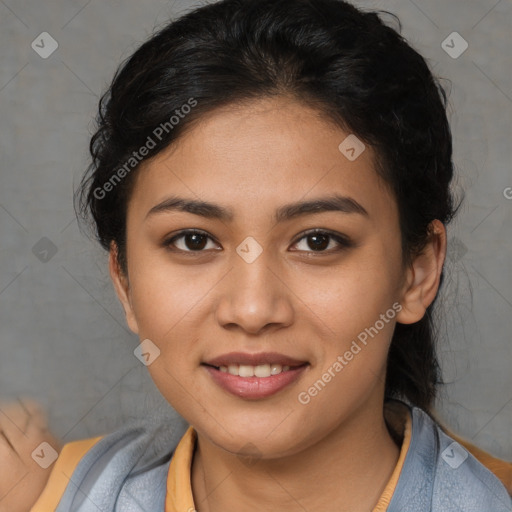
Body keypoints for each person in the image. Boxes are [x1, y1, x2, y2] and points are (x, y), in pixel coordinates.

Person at [2, 0, 512, 510]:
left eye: (318, 241)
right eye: (193, 240)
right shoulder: (49, 494)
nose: (251, 310)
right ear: (124, 281)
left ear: (417, 272)